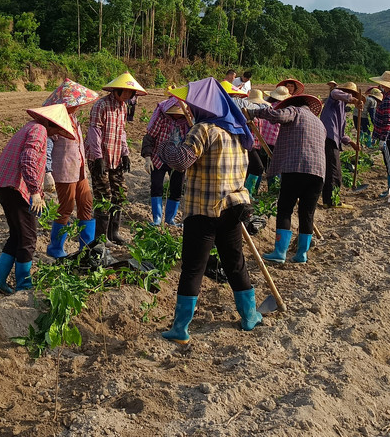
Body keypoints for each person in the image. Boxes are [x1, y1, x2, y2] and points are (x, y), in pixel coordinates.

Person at [159, 78, 262, 343]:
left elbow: (181, 162)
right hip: (232, 207)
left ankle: (181, 328)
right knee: (234, 262)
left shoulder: (203, 129)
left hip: (203, 210)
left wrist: (166, 146)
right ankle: (249, 317)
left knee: (193, 267)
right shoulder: (238, 131)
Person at [0, 104, 76, 293]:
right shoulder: (39, 130)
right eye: (59, 129)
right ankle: (24, 285)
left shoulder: (30, 127)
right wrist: (35, 191)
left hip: (6, 188)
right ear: (53, 124)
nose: (58, 134)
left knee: (17, 236)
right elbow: (27, 158)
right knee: (28, 238)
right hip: (17, 189)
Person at [246, 94, 325, 264]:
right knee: (307, 213)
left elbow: (278, 116)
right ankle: (301, 254)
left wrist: (255, 112)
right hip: (318, 173)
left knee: (285, 209)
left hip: (296, 167)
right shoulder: (319, 123)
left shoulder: (295, 111)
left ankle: (280, 252)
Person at [85, 71, 147, 245]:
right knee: (103, 195)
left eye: (130, 93)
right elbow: (94, 131)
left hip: (116, 157)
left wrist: (125, 153)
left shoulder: (123, 107)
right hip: (100, 157)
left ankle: (114, 233)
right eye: (125, 92)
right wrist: (98, 158)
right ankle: (100, 238)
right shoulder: (101, 105)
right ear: (116, 90)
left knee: (120, 194)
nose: (128, 95)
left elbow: (121, 133)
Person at [43, 79, 100, 258]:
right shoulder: (56, 121)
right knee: (66, 208)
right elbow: (47, 146)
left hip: (80, 169)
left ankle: (87, 248)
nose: (79, 105)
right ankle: (56, 248)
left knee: (86, 203)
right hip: (65, 171)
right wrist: (47, 172)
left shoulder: (73, 118)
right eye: (76, 103)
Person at [142, 97, 189, 226]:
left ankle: (170, 219)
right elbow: (149, 138)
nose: (176, 116)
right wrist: (147, 157)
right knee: (156, 186)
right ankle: (157, 219)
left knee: (176, 189)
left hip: (178, 160)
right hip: (159, 158)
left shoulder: (187, 122)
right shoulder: (162, 119)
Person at [319, 82, 364, 209]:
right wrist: (354, 99)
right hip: (328, 138)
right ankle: (332, 201)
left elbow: (341, 133)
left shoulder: (342, 109)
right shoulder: (334, 99)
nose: (349, 96)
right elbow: (334, 92)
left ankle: (329, 200)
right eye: (348, 94)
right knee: (334, 172)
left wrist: (352, 144)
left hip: (332, 139)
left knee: (331, 171)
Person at [244, 89, 271, 195]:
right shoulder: (246, 112)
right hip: (250, 145)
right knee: (258, 168)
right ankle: (248, 192)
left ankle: (247, 192)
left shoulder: (258, 111)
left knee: (250, 169)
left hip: (257, 144)